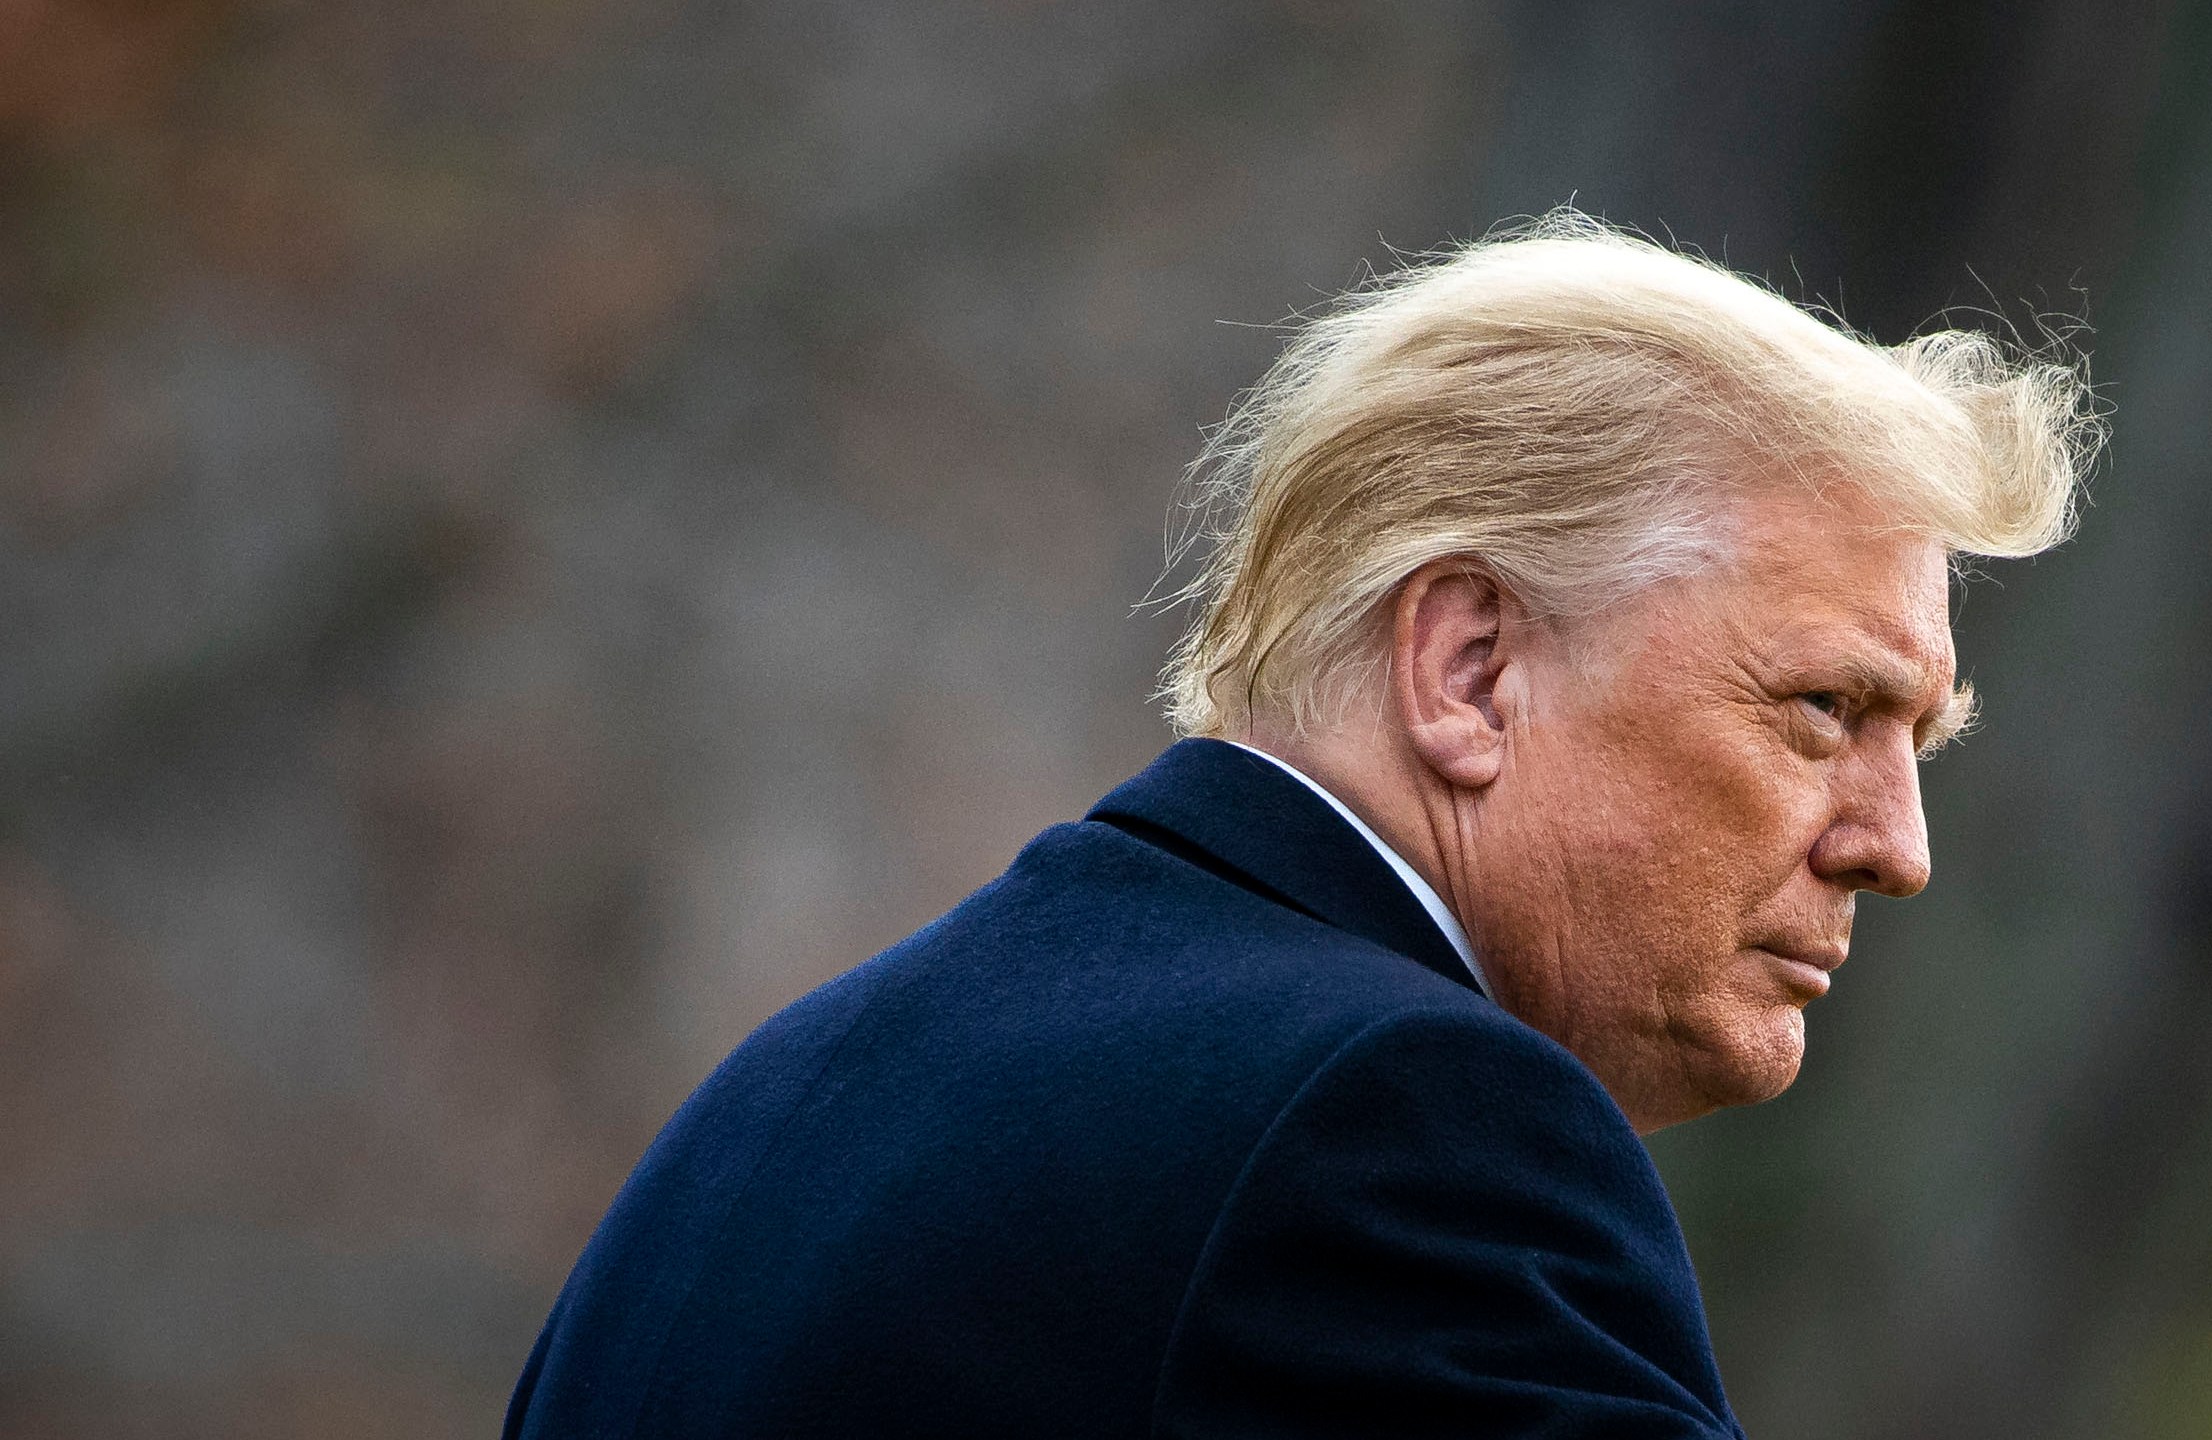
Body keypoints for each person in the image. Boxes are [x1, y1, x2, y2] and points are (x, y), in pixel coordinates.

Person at [503, 213, 2097, 1437]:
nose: (1897, 842)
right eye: (1825, 711)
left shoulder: (783, 1100)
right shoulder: (1401, 1129)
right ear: (1467, 669)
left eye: (1919, 743)